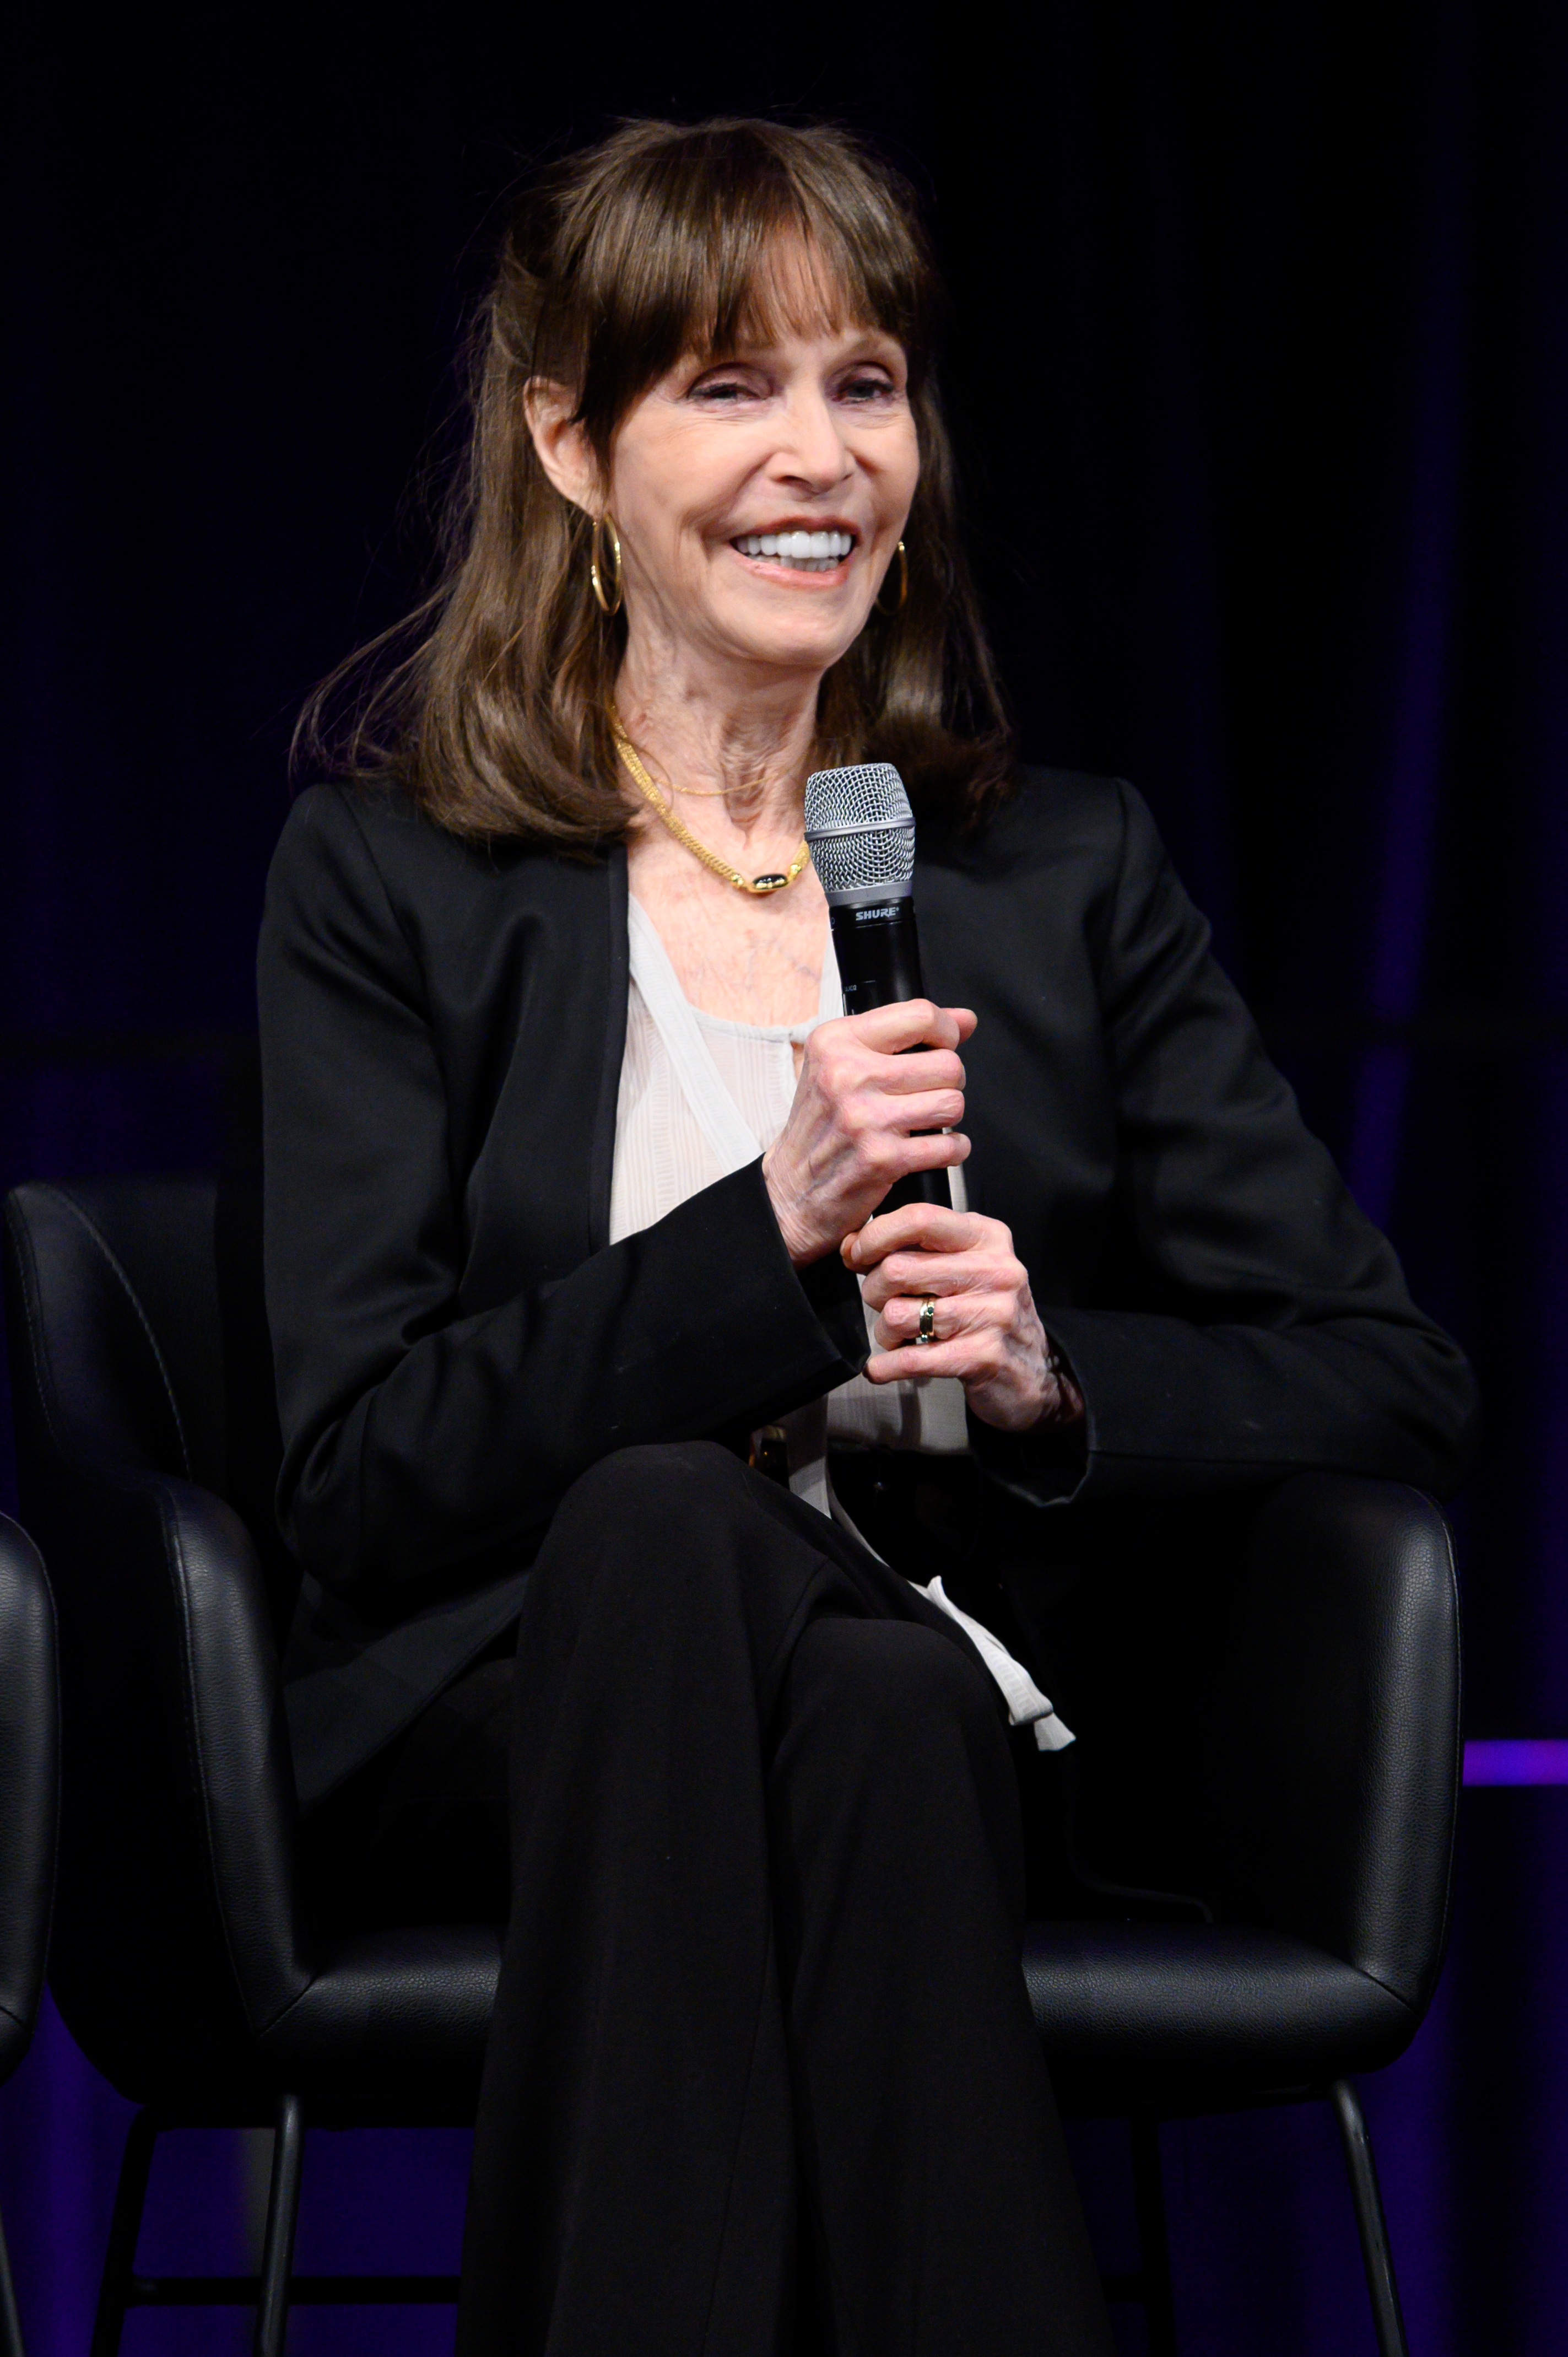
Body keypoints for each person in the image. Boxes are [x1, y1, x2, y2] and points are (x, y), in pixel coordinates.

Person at [259, 117, 1477, 2355]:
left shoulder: (1063, 874)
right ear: (569, 440)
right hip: (506, 1703)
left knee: (874, 1683)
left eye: (868, 381)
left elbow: (1390, 1368)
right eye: (730, 385)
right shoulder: (392, 886)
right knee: (685, 1547)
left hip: (989, 1684)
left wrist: (1048, 1384)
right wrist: (768, 1244)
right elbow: (352, 1467)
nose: (819, 456)